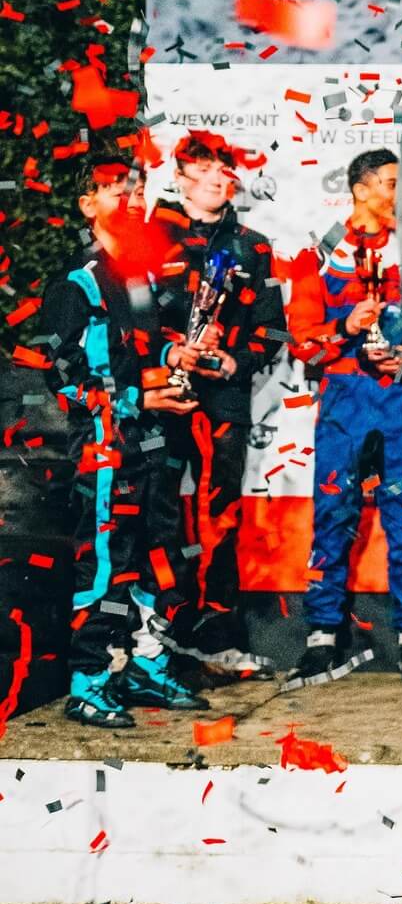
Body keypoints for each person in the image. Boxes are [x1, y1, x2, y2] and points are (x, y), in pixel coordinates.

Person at [37, 156, 207, 726]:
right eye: (117, 193)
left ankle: (144, 664)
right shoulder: (76, 281)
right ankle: (88, 681)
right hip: (106, 447)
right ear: (87, 206)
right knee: (108, 562)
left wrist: (174, 356)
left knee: (156, 554)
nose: (132, 203)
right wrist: (138, 399)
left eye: (137, 193)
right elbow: (62, 376)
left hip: (153, 443)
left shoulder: (138, 274)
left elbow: (143, 347)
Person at [287, 148, 402, 687]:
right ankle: (321, 637)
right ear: (361, 189)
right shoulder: (318, 253)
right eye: (392, 183)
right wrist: (346, 328)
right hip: (345, 399)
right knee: (332, 518)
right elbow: (302, 341)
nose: (401, 194)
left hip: (398, 402)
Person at [146, 131, 283, 680]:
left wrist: (233, 362)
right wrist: (169, 350)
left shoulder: (254, 245)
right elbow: (130, 322)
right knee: (158, 511)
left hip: (223, 403)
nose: (214, 180)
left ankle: (218, 641)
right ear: (179, 178)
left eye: (223, 171)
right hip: (160, 400)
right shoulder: (151, 237)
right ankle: (155, 641)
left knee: (221, 517)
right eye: (201, 171)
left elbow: (274, 329)